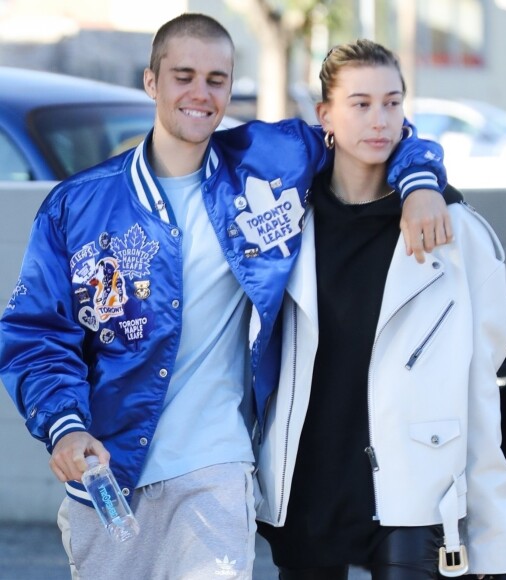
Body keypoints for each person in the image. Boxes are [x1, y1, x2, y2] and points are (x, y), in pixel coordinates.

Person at [0, 15, 451, 580]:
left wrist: (420, 185)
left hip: (217, 467)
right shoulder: (77, 206)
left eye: (217, 78)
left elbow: (376, 129)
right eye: (183, 75)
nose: (200, 93)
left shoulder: (267, 161)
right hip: (111, 474)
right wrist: (64, 425)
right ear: (151, 82)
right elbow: (35, 335)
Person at [255, 39, 506, 580]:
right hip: (308, 481)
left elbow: (480, 387)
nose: (380, 120)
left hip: (415, 491)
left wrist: (493, 542)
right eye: (361, 103)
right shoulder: (283, 226)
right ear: (324, 114)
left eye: (393, 102)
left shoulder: (454, 231)